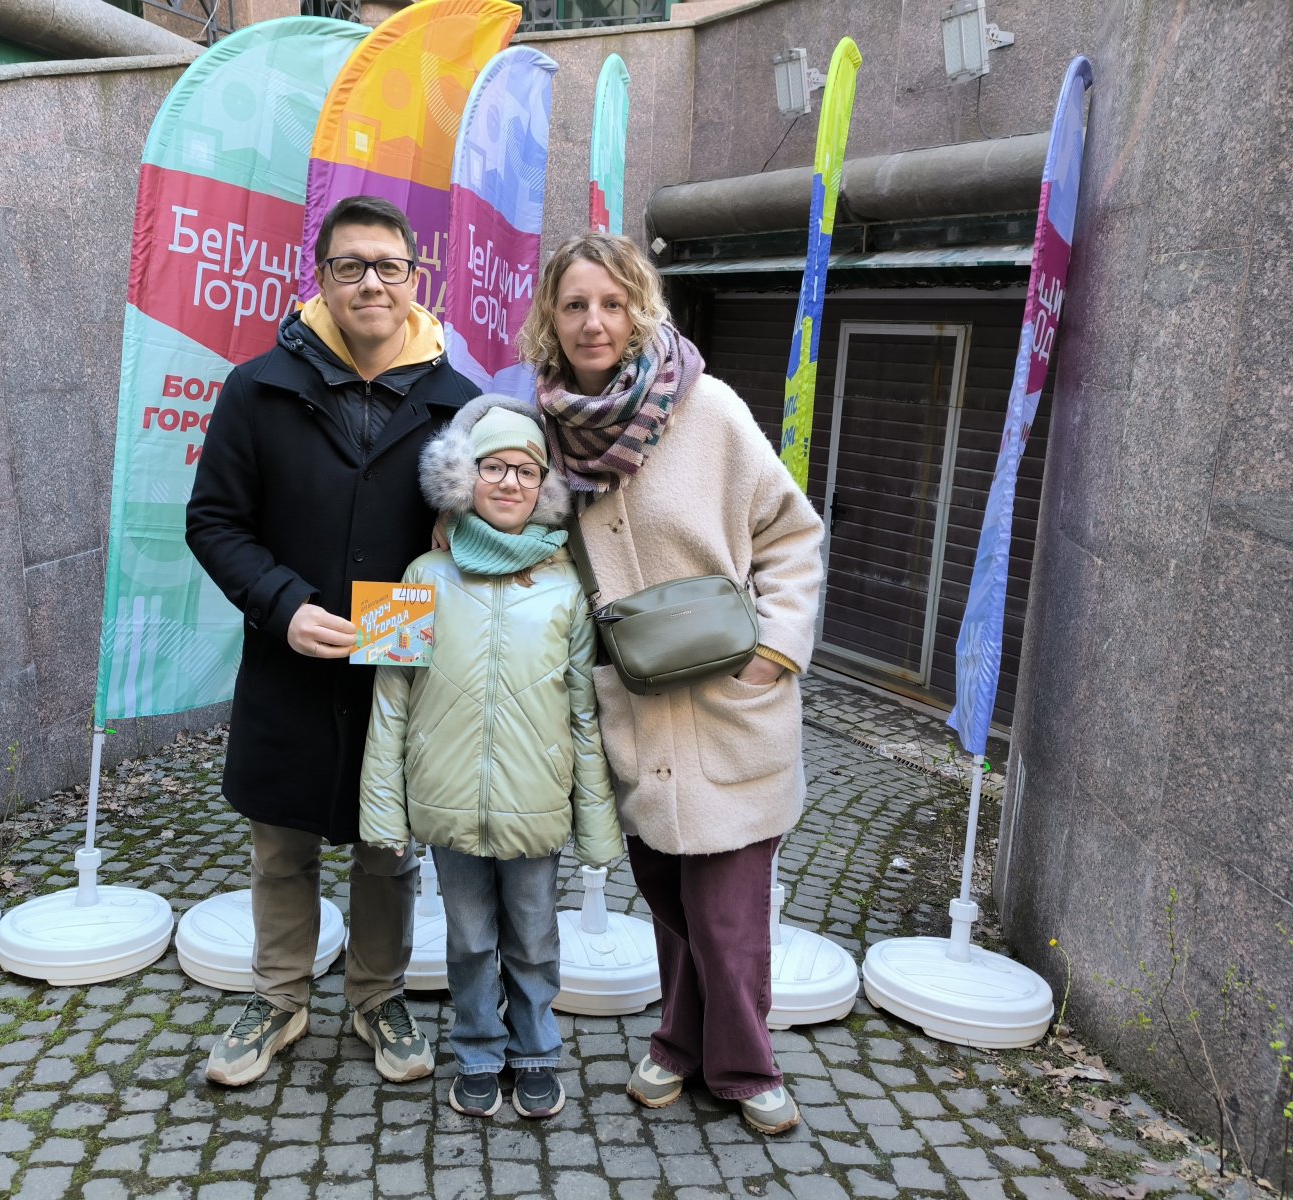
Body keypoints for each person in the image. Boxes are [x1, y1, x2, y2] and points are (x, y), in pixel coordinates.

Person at [514, 233, 825, 1136]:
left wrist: (777, 650)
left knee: (725, 912)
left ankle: (745, 1066)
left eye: (612, 303)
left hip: (731, 702)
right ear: (551, 319)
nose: (594, 322)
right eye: (576, 305)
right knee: (668, 895)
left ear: (640, 309)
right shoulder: (546, 432)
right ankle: (679, 1043)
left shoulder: (707, 409)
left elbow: (791, 534)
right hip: (635, 709)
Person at [185, 196, 480, 1088]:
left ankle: (376, 994)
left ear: (415, 278)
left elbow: (490, 530)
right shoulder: (259, 389)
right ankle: (279, 995)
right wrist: (281, 604)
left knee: (388, 849)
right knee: (281, 845)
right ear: (321, 279)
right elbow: (214, 521)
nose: (371, 284)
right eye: (350, 266)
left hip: (399, 669)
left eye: (389, 266)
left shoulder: (460, 405)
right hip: (292, 661)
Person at [357, 396, 622, 1119]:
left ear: (545, 488)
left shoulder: (569, 590)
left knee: (533, 938)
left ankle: (536, 1049)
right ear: (462, 478)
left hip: (536, 805)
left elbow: (583, 714)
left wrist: (598, 827)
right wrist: (382, 811)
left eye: (526, 471)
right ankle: (477, 1049)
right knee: (470, 939)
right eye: (493, 467)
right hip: (444, 801)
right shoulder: (418, 575)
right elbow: (390, 700)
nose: (509, 482)